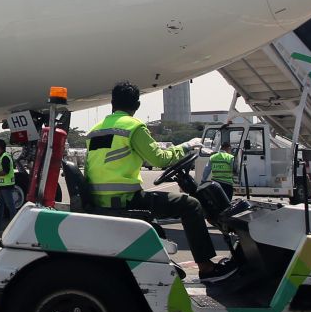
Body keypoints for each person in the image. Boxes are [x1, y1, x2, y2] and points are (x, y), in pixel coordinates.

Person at [85, 82, 234, 283]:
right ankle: (206, 267)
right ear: (137, 105)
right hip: (127, 200)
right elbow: (160, 159)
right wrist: (188, 146)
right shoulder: (133, 127)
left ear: (112, 103)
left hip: (99, 201)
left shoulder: (94, 131)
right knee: (191, 205)